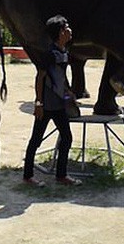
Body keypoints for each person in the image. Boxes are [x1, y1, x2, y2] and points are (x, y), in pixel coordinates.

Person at [23, 15, 82, 187]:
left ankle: (61, 175)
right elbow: (40, 78)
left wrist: (68, 93)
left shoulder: (64, 52)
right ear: (60, 32)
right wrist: (38, 103)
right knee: (36, 140)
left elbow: (60, 77)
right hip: (46, 105)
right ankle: (28, 176)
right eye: (67, 27)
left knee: (67, 137)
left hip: (59, 105)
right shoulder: (48, 54)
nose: (70, 30)